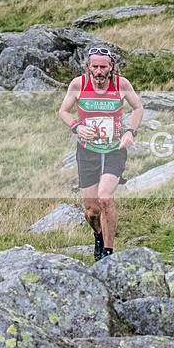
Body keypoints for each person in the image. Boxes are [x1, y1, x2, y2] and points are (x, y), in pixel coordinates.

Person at [59, 44, 144, 261]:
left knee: (105, 198)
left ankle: (108, 252)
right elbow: (63, 111)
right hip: (88, 151)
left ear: (111, 67)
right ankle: (98, 234)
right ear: (88, 66)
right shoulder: (78, 84)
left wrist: (131, 132)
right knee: (92, 210)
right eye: (94, 66)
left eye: (103, 67)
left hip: (114, 149)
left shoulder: (121, 84)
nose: (98, 71)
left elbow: (138, 108)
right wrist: (76, 127)